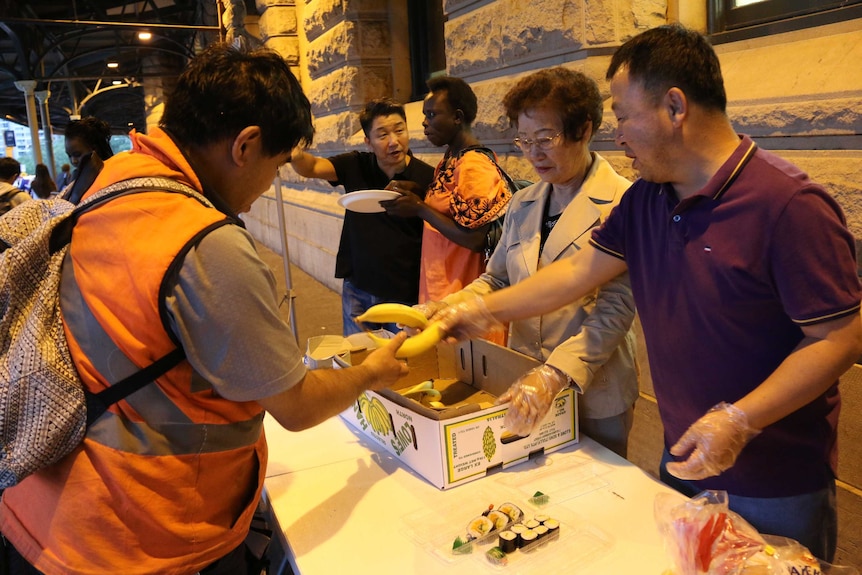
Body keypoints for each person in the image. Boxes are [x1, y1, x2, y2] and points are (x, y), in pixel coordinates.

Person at [432, 24, 862, 562]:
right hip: (681, 458)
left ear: (674, 107)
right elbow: (575, 273)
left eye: (622, 115)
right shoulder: (645, 201)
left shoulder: (790, 204)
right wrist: (477, 307)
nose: (618, 135)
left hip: (775, 480)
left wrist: (741, 418)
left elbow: (840, 338)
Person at [0, 43, 409, 575]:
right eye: (276, 165)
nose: (267, 186)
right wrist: (372, 371)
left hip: (46, 510)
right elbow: (297, 405)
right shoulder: (203, 242)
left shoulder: (110, 186)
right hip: (143, 537)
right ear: (246, 145)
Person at [421, 68, 638, 457]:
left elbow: (616, 309)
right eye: (524, 140)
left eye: (546, 139)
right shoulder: (524, 202)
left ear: (584, 129)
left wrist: (557, 373)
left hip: (594, 387)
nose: (533, 153)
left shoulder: (625, 201)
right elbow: (498, 279)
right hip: (523, 378)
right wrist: (455, 305)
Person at [289, 98, 435, 336]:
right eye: (382, 135)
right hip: (358, 287)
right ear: (368, 141)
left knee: (404, 363)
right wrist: (294, 154)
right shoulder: (355, 165)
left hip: (404, 292)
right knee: (359, 357)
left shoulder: (427, 177)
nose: (394, 141)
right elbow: (313, 167)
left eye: (400, 130)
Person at [382, 76, 511, 305]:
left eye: (431, 115)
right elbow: (453, 208)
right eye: (424, 115)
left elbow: (476, 239)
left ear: (457, 117)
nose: (424, 122)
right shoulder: (452, 156)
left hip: (462, 292)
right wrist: (420, 193)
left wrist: (420, 209)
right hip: (442, 285)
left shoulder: (473, 164)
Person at [62, 116, 115, 203]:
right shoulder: (77, 177)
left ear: (95, 149)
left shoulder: (112, 174)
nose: (73, 161)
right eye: (69, 156)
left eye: (77, 155)